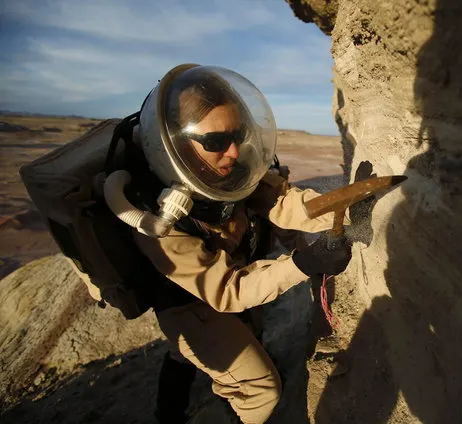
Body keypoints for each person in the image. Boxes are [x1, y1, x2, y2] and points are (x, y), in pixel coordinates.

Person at [115, 64, 356, 424]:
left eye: (237, 135)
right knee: (260, 391)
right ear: (178, 145)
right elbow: (227, 290)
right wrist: (304, 264)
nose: (232, 152)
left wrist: (350, 207)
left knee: (243, 334)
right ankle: (173, 414)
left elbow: (287, 204)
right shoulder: (153, 218)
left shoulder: (233, 171)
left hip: (235, 271)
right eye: (214, 142)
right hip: (190, 302)